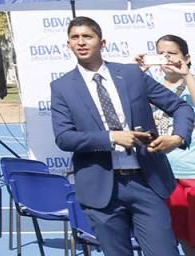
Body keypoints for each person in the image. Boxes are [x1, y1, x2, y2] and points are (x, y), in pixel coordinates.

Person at [52, 17, 195, 256]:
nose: (81, 42)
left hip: (146, 182)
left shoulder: (131, 74)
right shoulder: (62, 87)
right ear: (68, 45)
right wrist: (110, 138)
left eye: (87, 36)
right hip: (101, 188)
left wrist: (178, 137)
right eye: (75, 38)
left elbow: (181, 107)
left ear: (102, 42)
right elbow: (65, 138)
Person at [136, 35, 195, 254]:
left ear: (186, 57)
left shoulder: (192, 82)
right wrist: (136, 74)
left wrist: (186, 75)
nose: (166, 57)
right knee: (173, 237)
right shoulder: (152, 87)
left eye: (172, 53)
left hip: (191, 173)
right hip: (162, 174)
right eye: (161, 53)